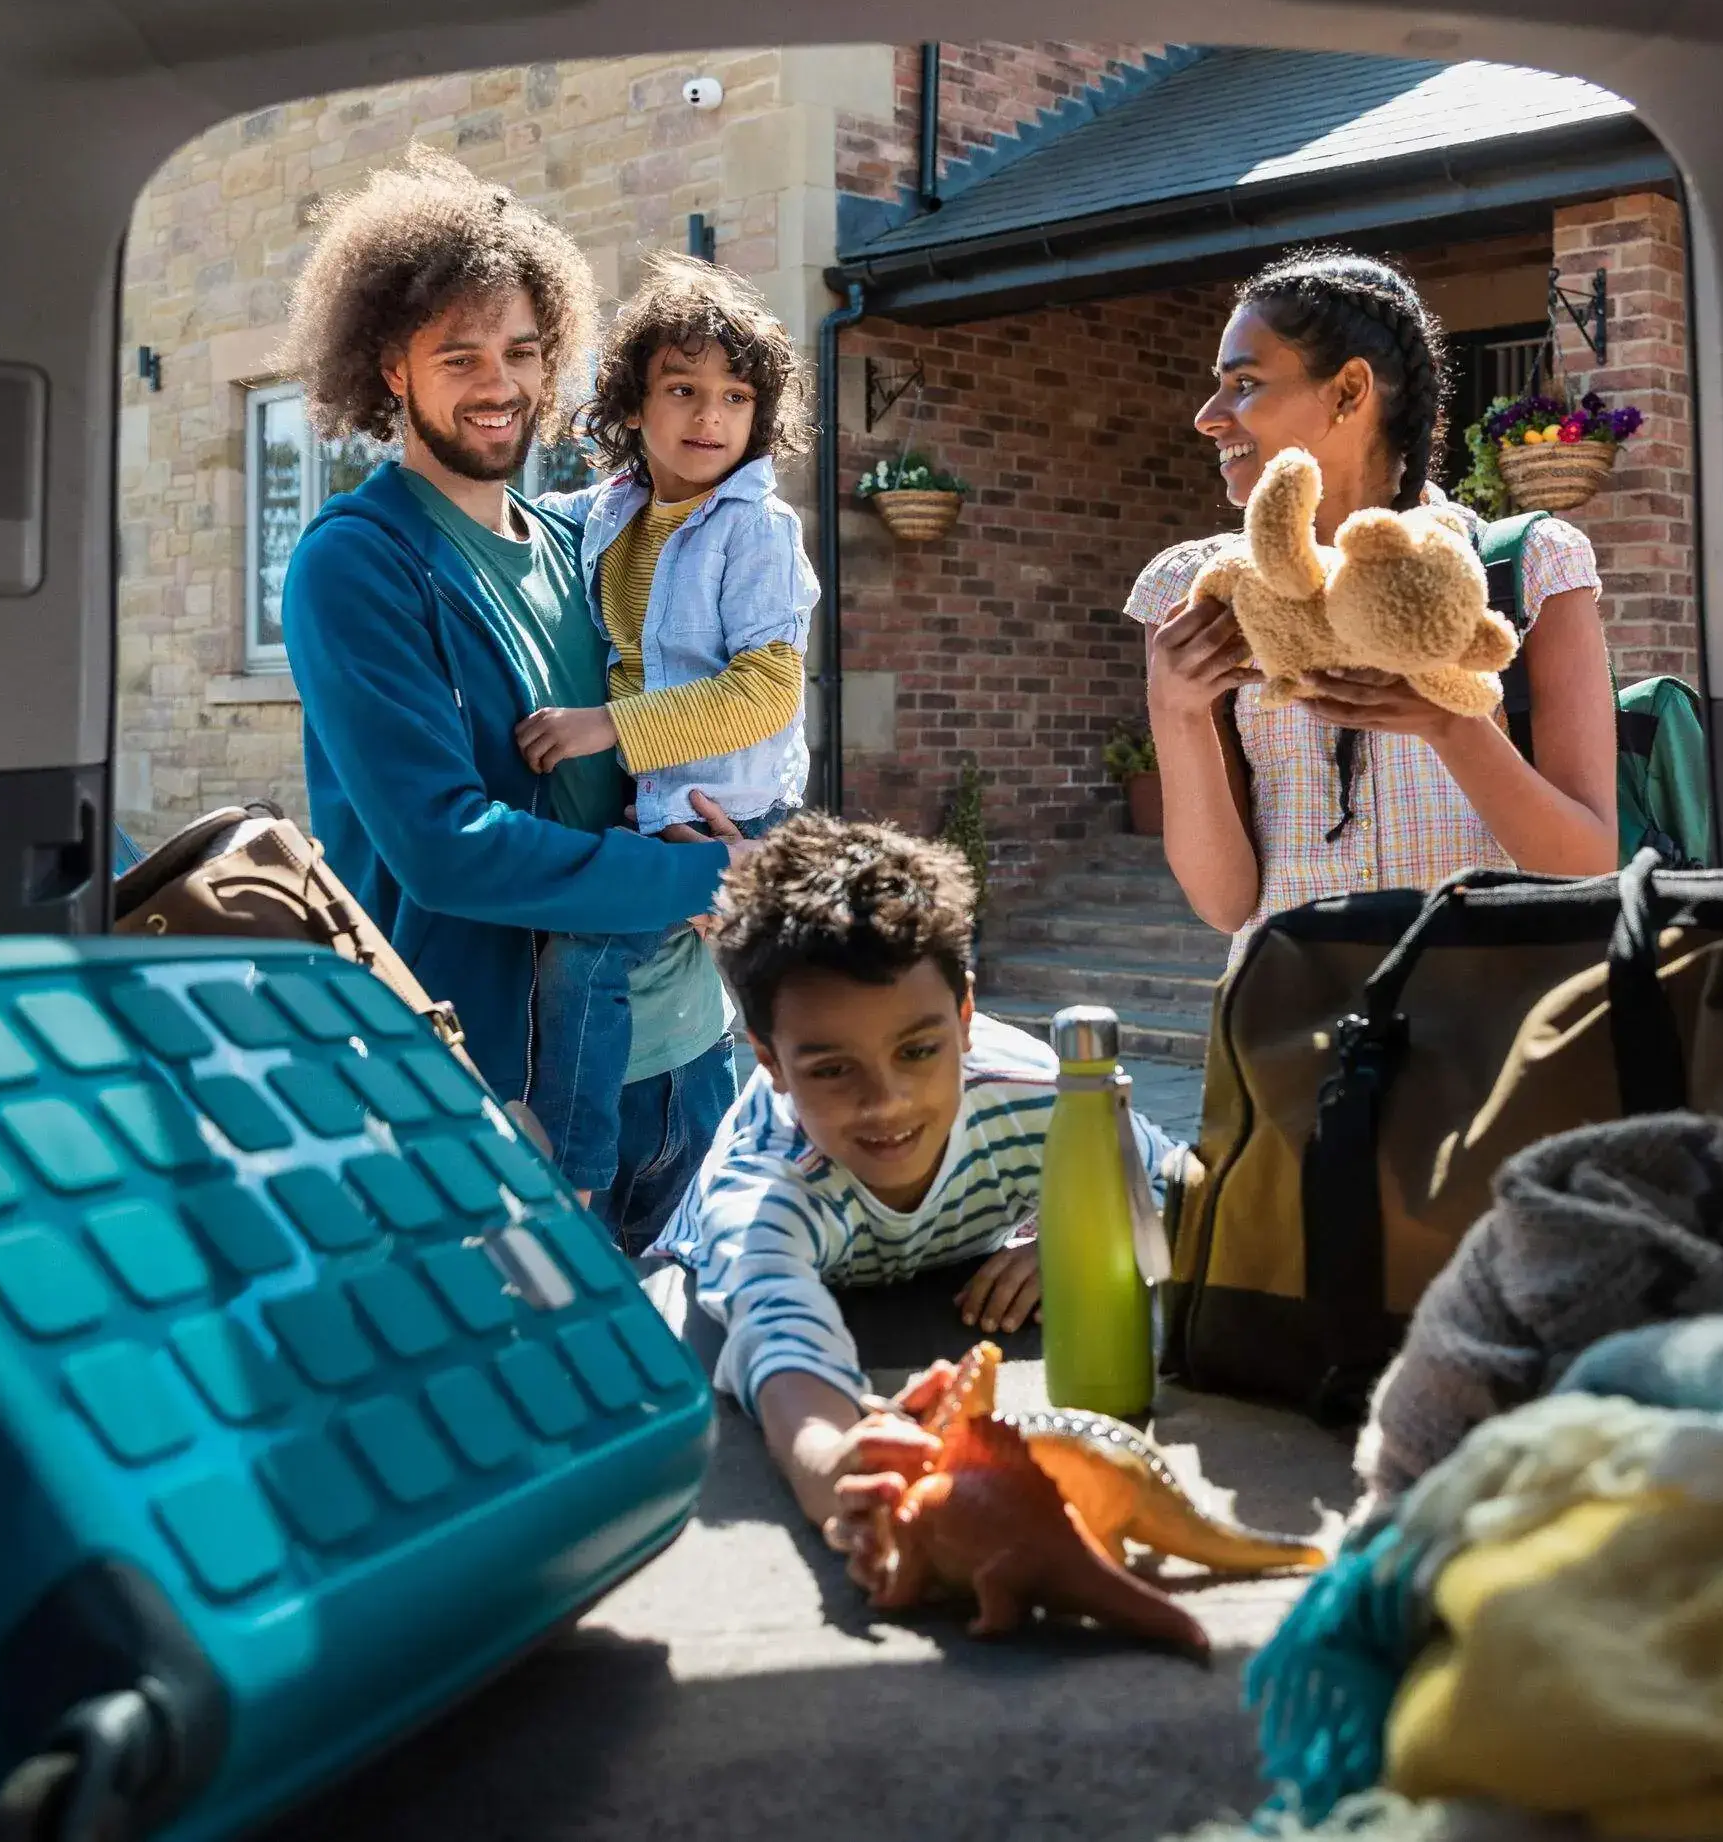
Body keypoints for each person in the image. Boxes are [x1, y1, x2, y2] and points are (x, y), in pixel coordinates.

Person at [276, 148, 750, 1252]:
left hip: (688, 1060)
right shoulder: (355, 563)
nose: (499, 384)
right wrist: (706, 872)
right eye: (459, 354)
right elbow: (445, 848)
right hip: (505, 1093)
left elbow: (680, 730)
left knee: (713, 1392)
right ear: (391, 367)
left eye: (523, 351)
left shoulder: (578, 542)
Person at [652, 814, 1185, 1529]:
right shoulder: (768, 1180)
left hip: (937, 1282)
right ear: (770, 1061)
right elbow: (778, 1339)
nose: (886, 1102)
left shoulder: (1045, 1102)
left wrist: (1076, 1235)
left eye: (918, 1051)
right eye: (833, 1069)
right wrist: (838, 1467)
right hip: (710, 1288)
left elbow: (1179, 1185)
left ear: (964, 1016)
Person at [1126, 249, 1621, 953]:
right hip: (1290, 1030)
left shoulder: (1524, 567)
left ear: (1349, 392)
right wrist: (1175, 711)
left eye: (1244, 382)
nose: (1209, 416)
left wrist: (1450, 724)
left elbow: (1588, 869)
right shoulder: (1198, 592)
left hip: (1486, 1031)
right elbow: (1225, 903)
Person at [509, 255, 820, 1206]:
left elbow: (768, 687)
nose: (708, 417)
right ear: (632, 407)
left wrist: (610, 727)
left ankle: (573, 1182)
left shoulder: (755, 529)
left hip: (735, 811)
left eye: (734, 397)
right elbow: (509, 523)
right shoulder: (604, 514)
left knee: (591, 955)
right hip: (656, 809)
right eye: (681, 390)